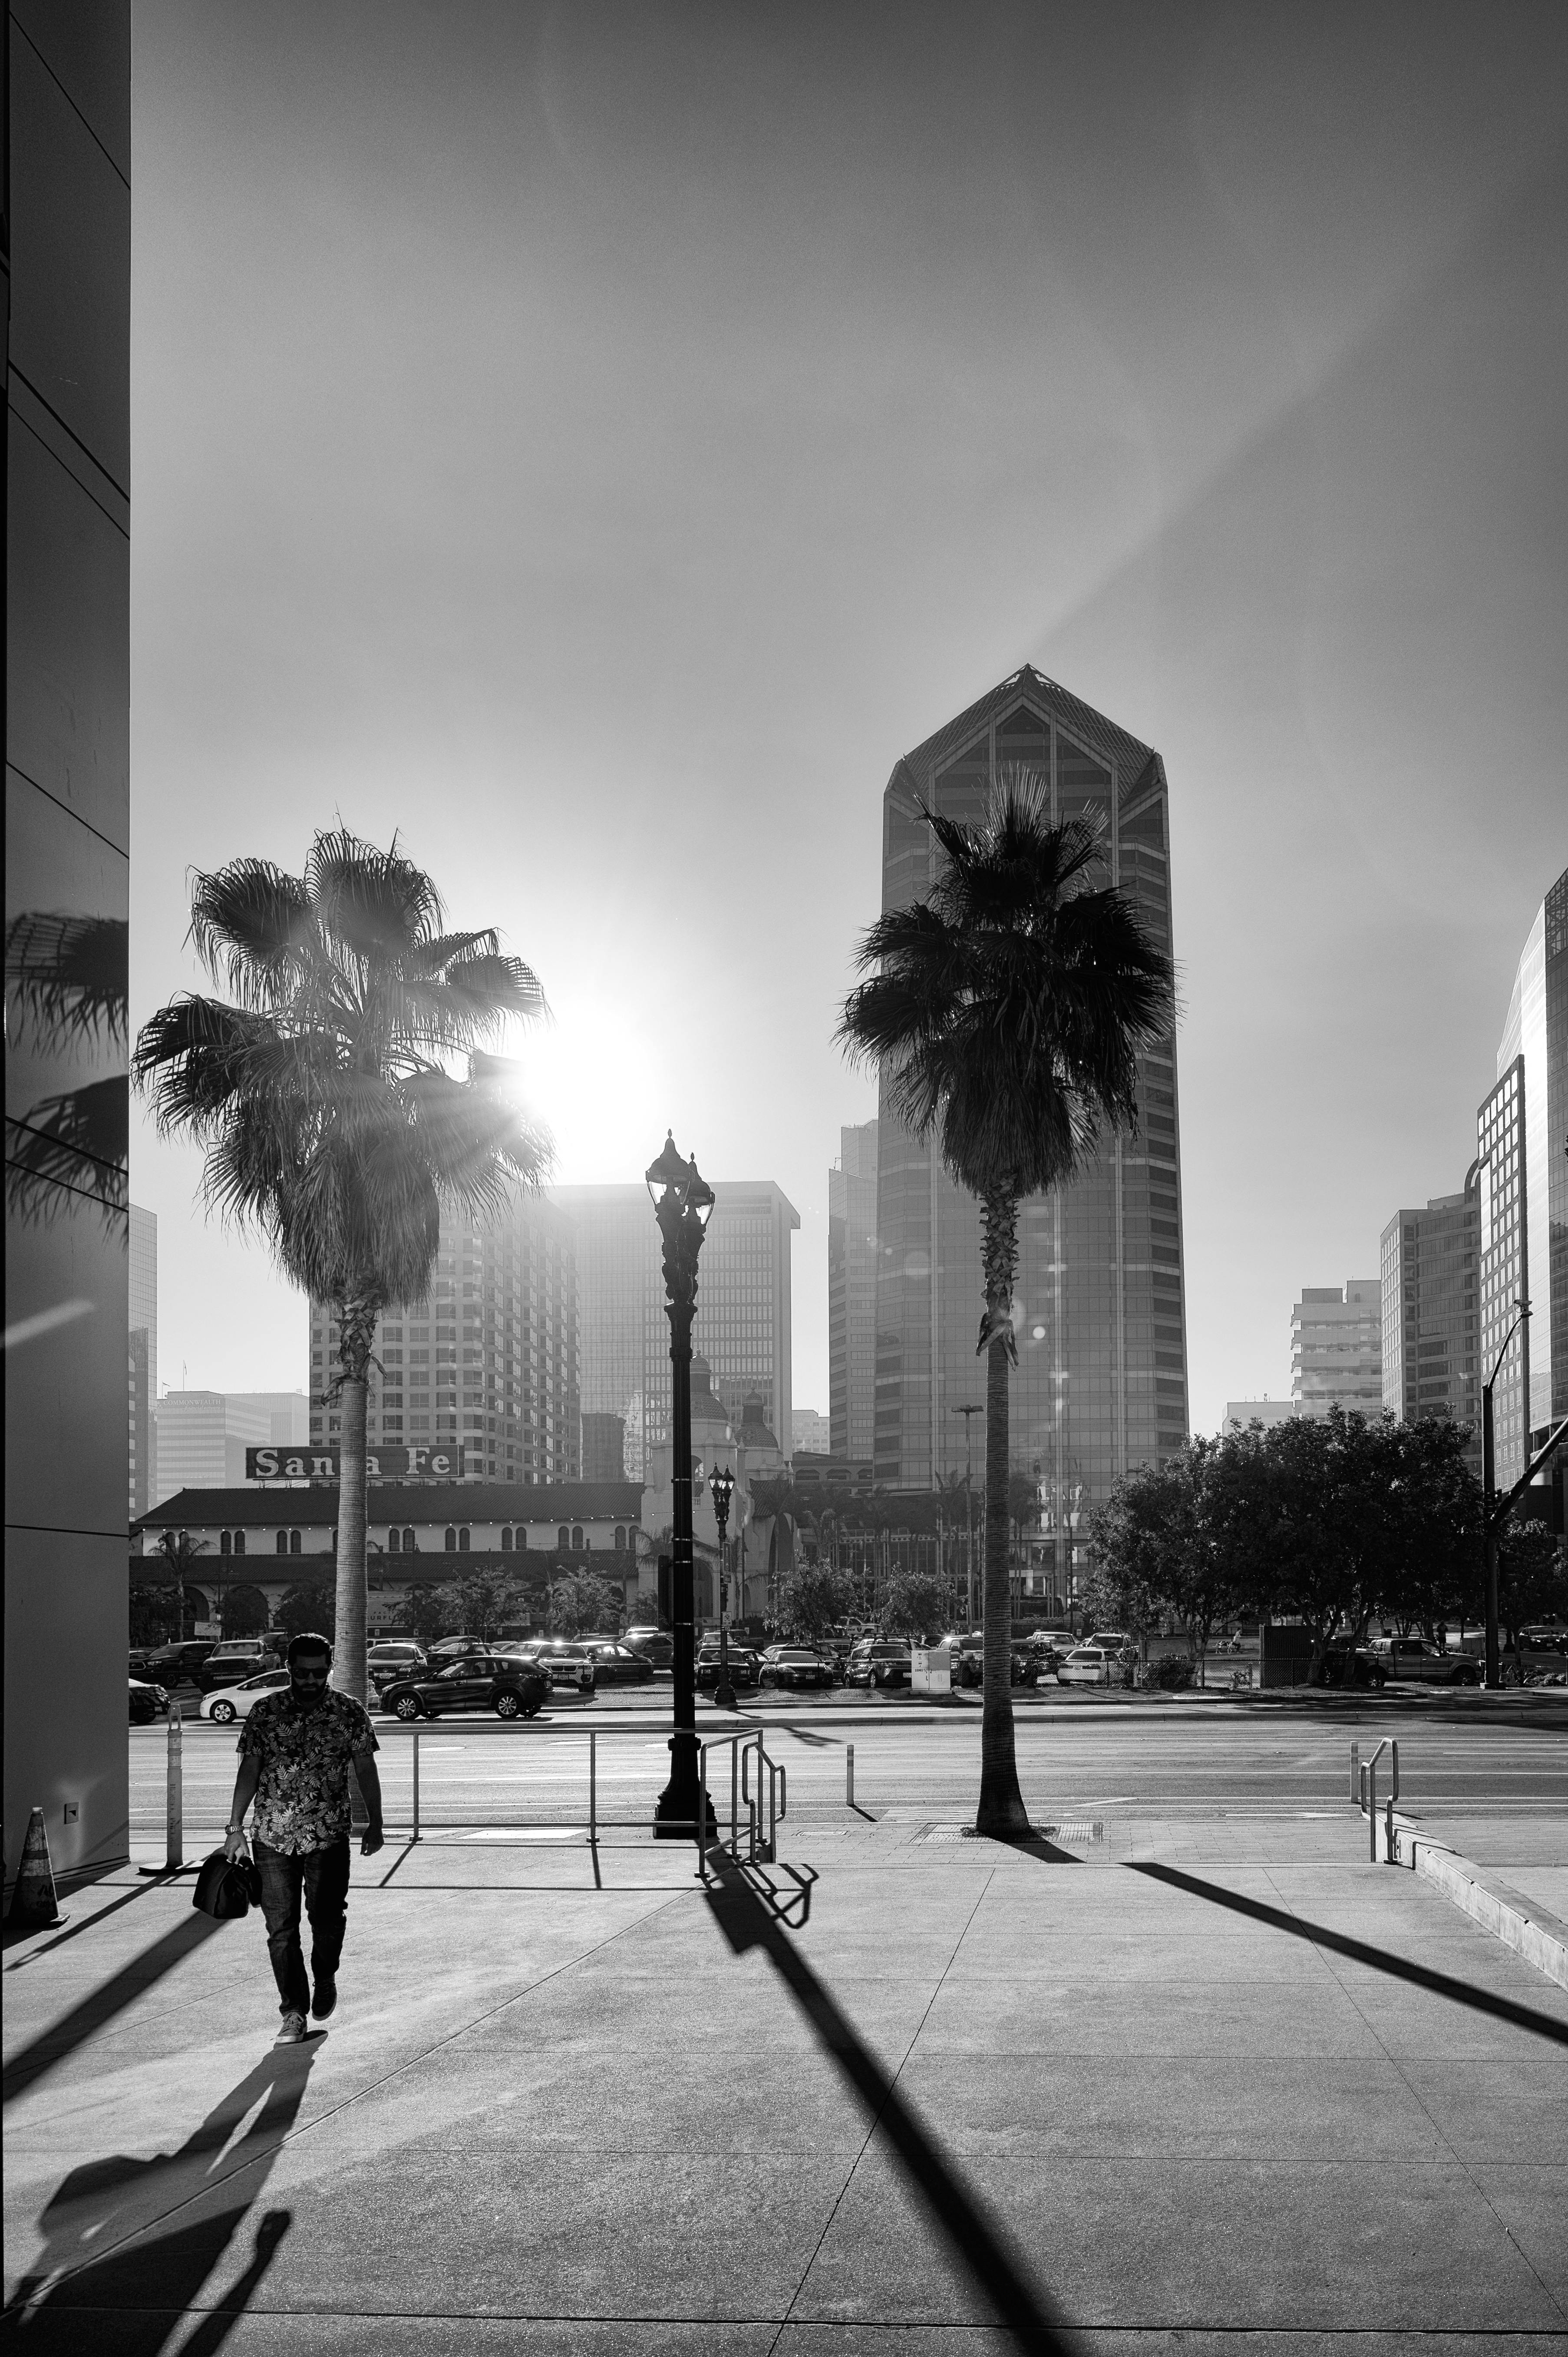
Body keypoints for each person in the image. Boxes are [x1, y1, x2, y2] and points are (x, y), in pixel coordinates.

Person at [223, 1631, 384, 2044]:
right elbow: (250, 1770)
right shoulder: (265, 1711)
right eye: (301, 1672)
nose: (310, 1679)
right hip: (272, 1837)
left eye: (318, 1672)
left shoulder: (348, 1712)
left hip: (328, 1836)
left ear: (329, 1667)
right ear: (289, 1668)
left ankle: (325, 1975)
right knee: (281, 1929)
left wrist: (377, 1823)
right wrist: (235, 1828)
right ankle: (293, 2011)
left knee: (327, 1918)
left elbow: (366, 1769)